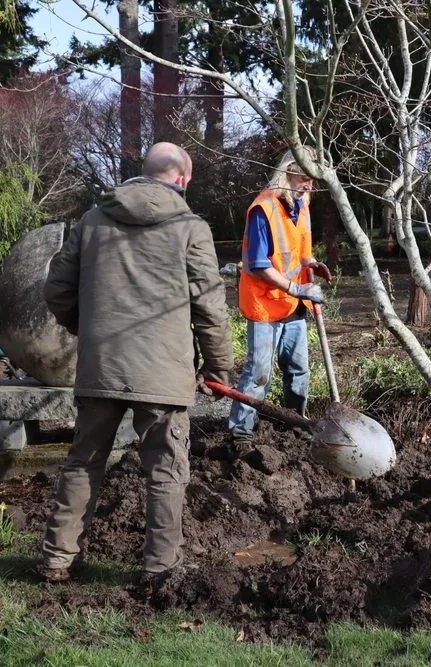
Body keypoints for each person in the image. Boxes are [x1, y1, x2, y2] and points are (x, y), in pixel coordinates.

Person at [39, 142, 233, 584]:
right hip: (163, 371)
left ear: (142, 173)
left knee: (84, 460)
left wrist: (89, 332)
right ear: (182, 178)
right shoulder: (190, 227)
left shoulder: (92, 221)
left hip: (100, 366)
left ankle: (57, 559)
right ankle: (159, 569)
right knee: (166, 467)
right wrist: (219, 368)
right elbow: (210, 307)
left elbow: (57, 291)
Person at [228, 148, 330, 444]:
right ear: (287, 172)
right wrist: (295, 287)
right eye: (304, 176)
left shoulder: (303, 202)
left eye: (312, 177)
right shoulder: (264, 209)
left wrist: (311, 264)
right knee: (259, 373)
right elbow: (257, 265)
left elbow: (297, 250)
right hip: (265, 303)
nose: (309, 183)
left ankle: (295, 424)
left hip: (294, 303)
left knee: (298, 370)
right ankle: (240, 432)